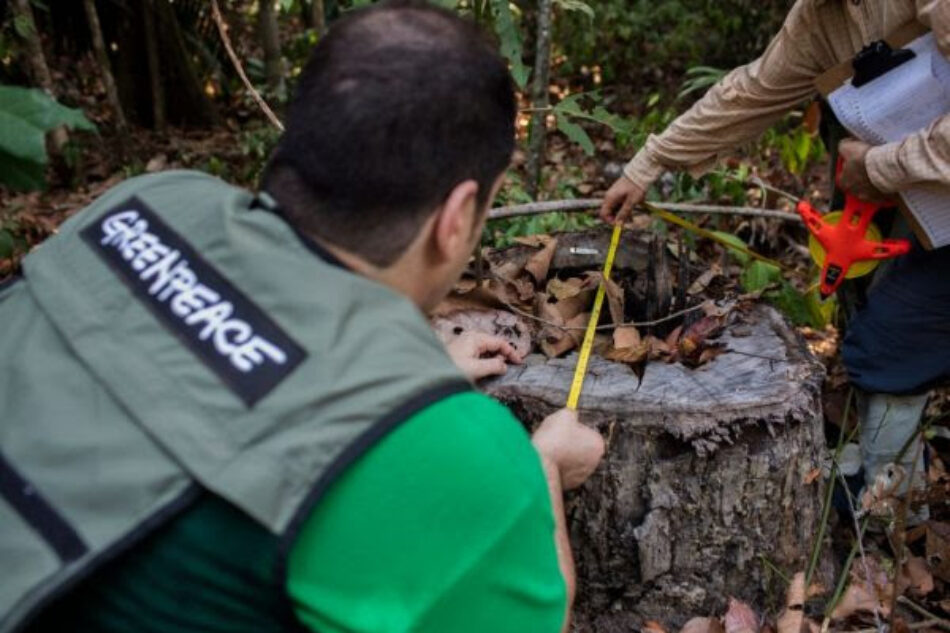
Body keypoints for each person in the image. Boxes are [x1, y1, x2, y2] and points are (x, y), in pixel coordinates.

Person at [0, 3, 604, 632]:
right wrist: (538, 470)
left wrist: (396, 388)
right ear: (457, 218)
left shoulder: (149, 203)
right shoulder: (472, 463)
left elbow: (175, 350)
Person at [600, 0, 949, 508]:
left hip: (918, 179)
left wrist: (880, 167)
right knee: (870, 312)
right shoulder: (817, 17)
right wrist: (650, 161)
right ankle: (893, 465)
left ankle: (892, 506)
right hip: (919, 191)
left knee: (894, 340)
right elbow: (754, 91)